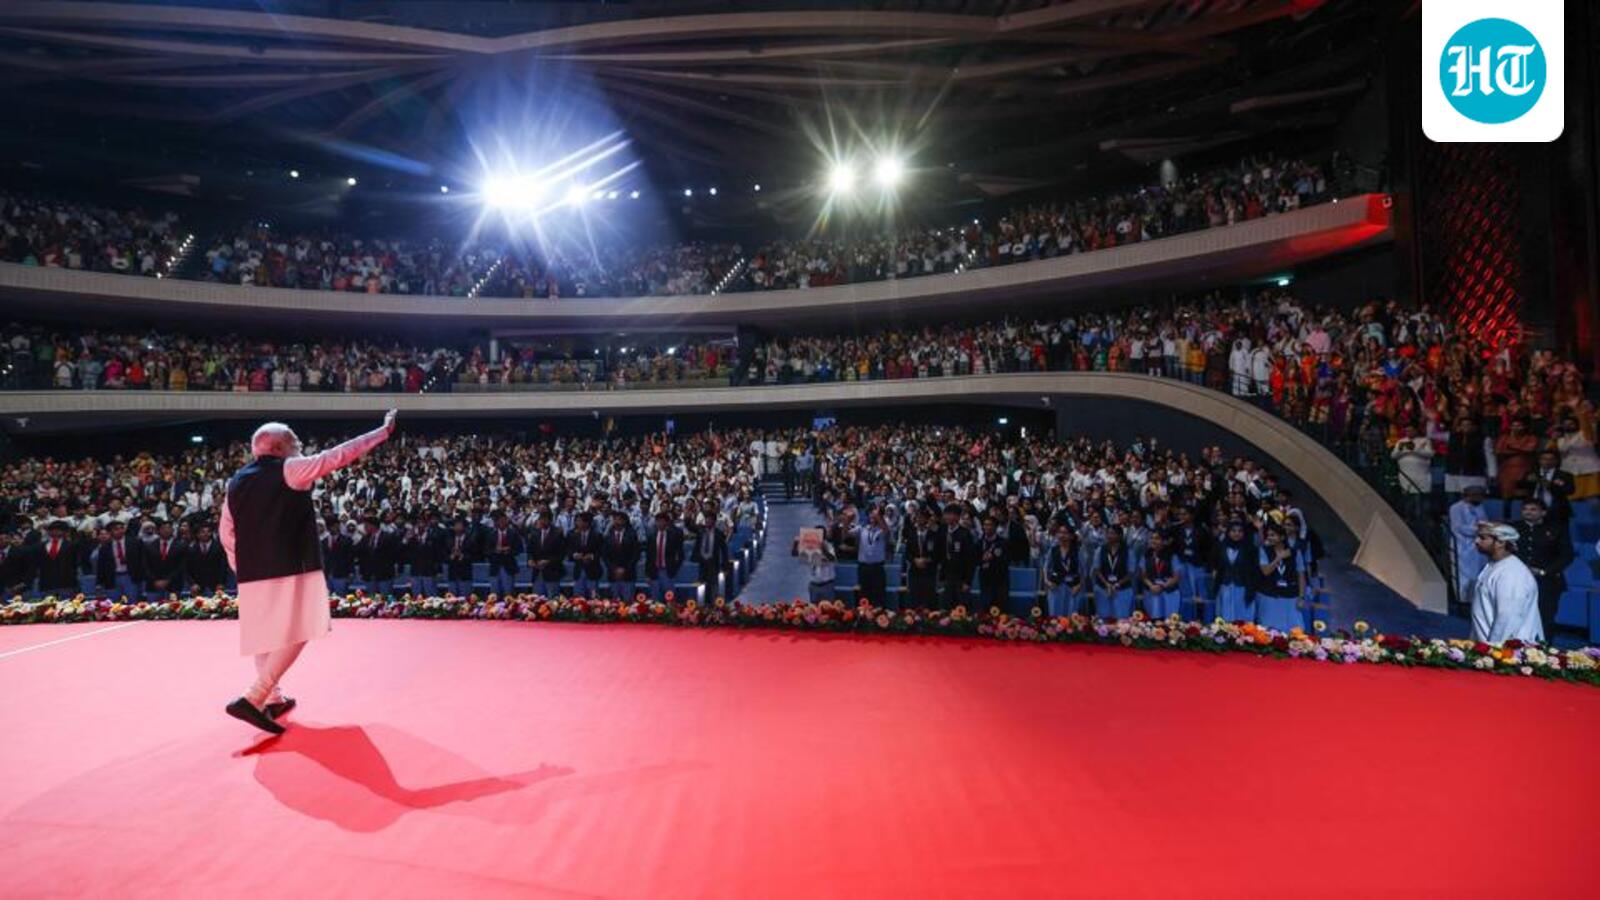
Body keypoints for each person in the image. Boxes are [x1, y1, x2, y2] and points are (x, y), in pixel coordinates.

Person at [220, 409, 396, 735]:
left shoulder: (235, 482)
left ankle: (273, 699)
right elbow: (337, 456)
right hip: (291, 565)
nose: (300, 446)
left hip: (252, 570)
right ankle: (255, 695)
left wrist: (241, 566)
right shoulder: (289, 468)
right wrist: (380, 433)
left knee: (265, 636)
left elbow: (225, 532)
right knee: (302, 628)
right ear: (277, 447)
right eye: (295, 442)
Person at [1469, 521, 1543, 644]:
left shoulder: (1512, 573)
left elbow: (1507, 618)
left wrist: (1492, 650)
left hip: (1508, 652)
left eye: (1482, 538)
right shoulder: (1494, 566)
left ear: (1501, 542)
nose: (1476, 541)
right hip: (1488, 648)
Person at [1513, 498, 1573, 639]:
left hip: (1547, 582)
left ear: (1543, 512)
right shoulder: (1514, 528)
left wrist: (1544, 572)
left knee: (1545, 618)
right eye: (1525, 509)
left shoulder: (1556, 529)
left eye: (1533, 509)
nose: (1528, 512)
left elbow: (1567, 556)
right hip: (1519, 581)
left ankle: (1544, 652)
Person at [1253, 522, 1305, 632]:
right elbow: (1266, 571)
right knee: (1267, 630)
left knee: (1293, 630)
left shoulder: (1295, 553)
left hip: (1290, 596)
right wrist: (1279, 558)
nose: (1269, 538)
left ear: (1282, 537)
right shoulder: (1264, 551)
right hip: (1269, 595)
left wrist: (1301, 597)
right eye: (1268, 535)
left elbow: (1301, 576)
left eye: (1273, 535)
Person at [1448, 485, 1488, 605]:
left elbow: (1484, 522)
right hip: (1462, 545)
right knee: (1464, 576)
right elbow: (1458, 527)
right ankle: (1463, 600)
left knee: (1478, 575)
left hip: (1477, 546)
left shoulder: (1480, 507)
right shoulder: (1456, 508)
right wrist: (1478, 529)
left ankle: (1475, 600)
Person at [1210, 519, 1255, 622]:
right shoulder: (1220, 546)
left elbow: (1253, 570)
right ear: (1228, 532)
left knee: (1242, 617)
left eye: (1240, 531)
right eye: (1233, 531)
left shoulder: (1249, 548)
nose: (1237, 533)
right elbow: (1215, 564)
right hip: (1224, 586)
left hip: (1243, 587)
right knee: (1225, 617)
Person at [1520, 448, 1575, 527]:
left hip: (1557, 511)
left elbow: (1570, 490)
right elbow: (1520, 487)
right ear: (1539, 460)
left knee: (1559, 535)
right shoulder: (1531, 473)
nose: (1547, 461)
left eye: (1551, 459)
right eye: (1544, 459)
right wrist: (1527, 481)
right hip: (1533, 510)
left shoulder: (1565, 475)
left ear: (1556, 461)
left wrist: (1550, 485)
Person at [1139, 529, 1182, 620]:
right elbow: (1143, 576)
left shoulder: (1172, 555)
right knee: (1153, 621)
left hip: (1169, 592)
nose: (1153, 541)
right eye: (1152, 538)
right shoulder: (1146, 555)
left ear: (1164, 541)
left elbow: (1176, 577)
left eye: (1157, 538)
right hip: (1152, 591)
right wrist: (1151, 586)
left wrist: (1162, 587)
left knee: (1169, 622)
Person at [1092, 526, 1134, 618]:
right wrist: (1107, 584)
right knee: (1103, 619)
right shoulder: (1100, 550)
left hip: (1122, 589)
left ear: (1120, 536)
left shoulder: (1128, 551)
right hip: (1103, 588)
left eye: (1113, 533)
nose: (1109, 536)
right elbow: (1096, 570)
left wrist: (1117, 584)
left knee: (1121, 620)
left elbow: (1131, 572)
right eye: (1108, 533)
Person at [1043, 526, 1084, 616]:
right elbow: (1046, 567)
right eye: (1060, 532)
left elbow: (1083, 571)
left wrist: (1079, 585)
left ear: (1071, 536)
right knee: (1055, 616)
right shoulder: (1053, 550)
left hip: (1073, 586)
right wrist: (1047, 581)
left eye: (1065, 533)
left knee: (1071, 618)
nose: (1062, 535)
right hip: (1056, 585)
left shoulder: (1077, 551)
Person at [645, 511, 684, 602]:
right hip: (654, 570)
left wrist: (675, 568)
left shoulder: (674, 536)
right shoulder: (651, 536)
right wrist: (647, 574)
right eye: (658, 521)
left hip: (667, 570)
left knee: (669, 598)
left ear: (666, 522)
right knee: (655, 599)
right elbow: (649, 556)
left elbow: (680, 554)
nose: (660, 523)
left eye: (662, 521)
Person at [482, 511, 523, 597]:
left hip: (508, 565)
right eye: (499, 521)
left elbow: (519, 549)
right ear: (496, 522)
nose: (502, 522)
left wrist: (509, 550)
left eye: (504, 520)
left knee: (508, 593)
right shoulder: (491, 534)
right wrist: (495, 550)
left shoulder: (513, 533)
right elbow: (486, 551)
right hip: (495, 566)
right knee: (494, 593)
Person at [854, 507, 888, 607]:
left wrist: (878, 516)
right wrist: (846, 522)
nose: (872, 516)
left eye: (875, 514)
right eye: (871, 514)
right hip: (864, 567)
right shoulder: (861, 528)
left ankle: (879, 617)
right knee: (864, 594)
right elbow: (846, 534)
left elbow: (886, 530)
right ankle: (864, 618)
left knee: (879, 595)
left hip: (877, 567)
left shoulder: (881, 530)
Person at [527, 509, 566, 598]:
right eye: (540, 519)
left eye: (544, 519)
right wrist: (530, 560)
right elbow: (530, 550)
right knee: (536, 599)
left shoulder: (557, 533)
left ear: (549, 520)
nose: (541, 521)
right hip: (537, 572)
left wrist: (548, 561)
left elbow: (561, 554)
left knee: (552, 599)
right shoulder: (534, 533)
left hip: (552, 571)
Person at [691, 514, 729, 600]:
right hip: (702, 562)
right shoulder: (701, 531)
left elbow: (724, 551)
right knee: (701, 585)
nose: (707, 521)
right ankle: (701, 605)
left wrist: (725, 566)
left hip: (713, 562)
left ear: (714, 521)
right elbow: (691, 527)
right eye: (706, 519)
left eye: (710, 519)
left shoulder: (719, 533)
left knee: (713, 585)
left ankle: (713, 605)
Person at [566, 512, 604, 599]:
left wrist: (592, 556)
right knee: (578, 598)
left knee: (593, 597)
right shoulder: (572, 535)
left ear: (587, 522)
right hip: (578, 570)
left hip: (593, 570)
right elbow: (568, 550)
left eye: (579, 521)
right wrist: (574, 555)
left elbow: (601, 551)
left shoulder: (597, 535)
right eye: (577, 521)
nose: (577, 523)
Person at [603, 511, 639, 600]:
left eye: (618, 519)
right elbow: (605, 555)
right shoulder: (608, 536)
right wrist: (613, 569)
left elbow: (635, 554)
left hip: (628, 573)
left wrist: (624, 569)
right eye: (614, 519)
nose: (615, 521)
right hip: (613, 574)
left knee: (628, 601)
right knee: (614, 601)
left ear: (624, 521)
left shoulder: (632, 535)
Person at [185, 521, 229, 596]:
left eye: (208, 532)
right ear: (197, 534)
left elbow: (223, 566)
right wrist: (192, 584)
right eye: (202, 532)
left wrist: (221, 583)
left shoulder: (219, 547)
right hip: (198, 586)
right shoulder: (191, 549)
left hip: (216, 585)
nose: (206, 534)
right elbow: (187, 569)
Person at [976, 516, 1009, 614]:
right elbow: (974, 558)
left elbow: (1006, 561)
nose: (987, 527)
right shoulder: (980, 542)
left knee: (1000, 611)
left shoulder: (1003, 543)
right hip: (985, 580)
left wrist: (993, 558)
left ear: (995, 527)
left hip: (1000, 581)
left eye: (990, 525)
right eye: (985, 525)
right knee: (985, 610)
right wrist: (982, 559)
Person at [444, 517, 476, 597]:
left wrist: (462, 556)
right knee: (452, 598)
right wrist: (451, 556)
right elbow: (444, 555)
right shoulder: (449, 539)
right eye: (456, 525)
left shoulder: (470, 540)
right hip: (452, 572)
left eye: (459, 525)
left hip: (465, 573)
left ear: (464, 527)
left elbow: (474, 555)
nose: (457, 527)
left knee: (465, 597)